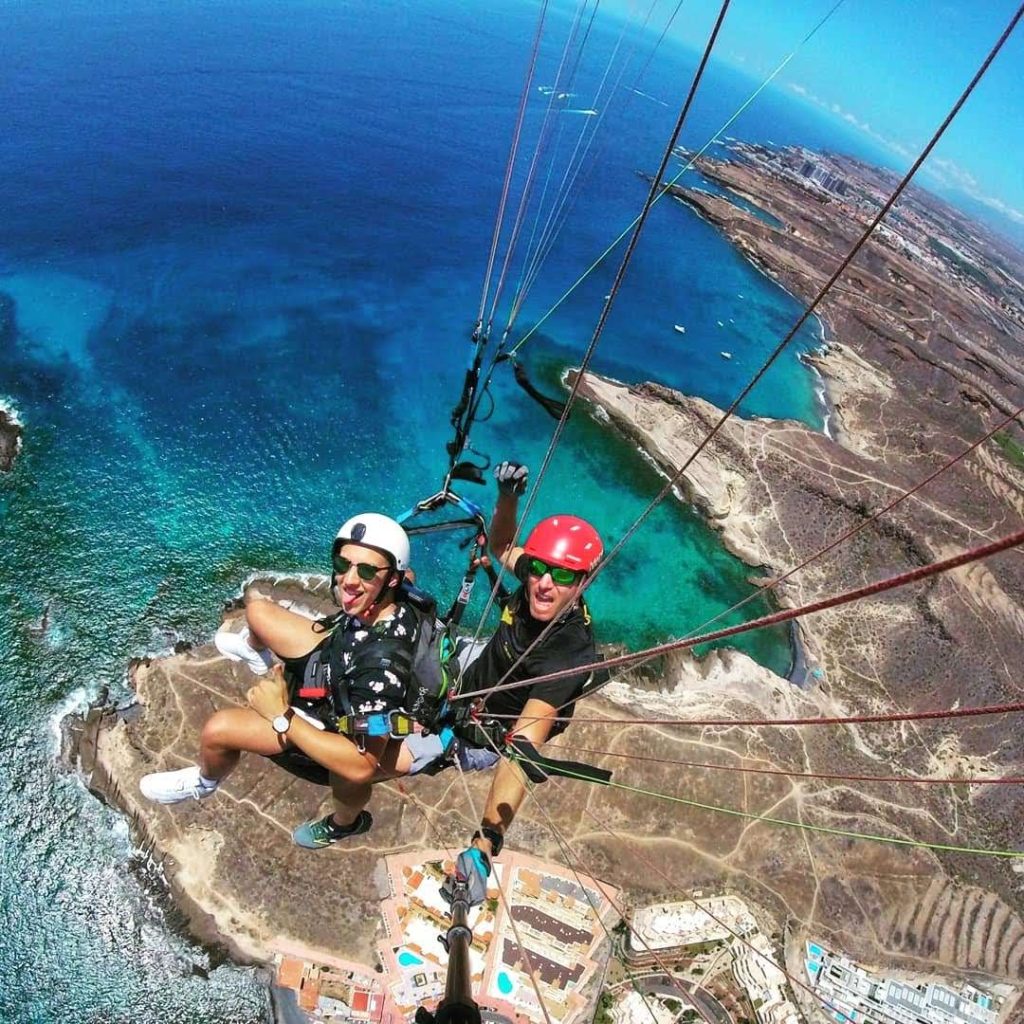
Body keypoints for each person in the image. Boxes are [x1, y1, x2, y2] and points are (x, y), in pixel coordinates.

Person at [326, 460, 603, 907]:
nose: (544, 585)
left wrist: (486, 844)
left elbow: (521, 748)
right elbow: (502, 544)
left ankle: (344, 820)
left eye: (564, 575)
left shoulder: (568, 654)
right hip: (471, 673)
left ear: (583, 581)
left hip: (475, 731)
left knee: (361, 764)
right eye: (538, 569)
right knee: (404, 616)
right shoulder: (540, 583)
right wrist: (508, 497)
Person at [139, 512, 421, 848]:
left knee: (217, 731)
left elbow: (362, 765)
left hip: (330, 717)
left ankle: (204, 782)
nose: (348, 579)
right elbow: (399, 574)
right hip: (334, 660)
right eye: (343, 564)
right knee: (257, 610)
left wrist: (280, 715)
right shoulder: (393, 595)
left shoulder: (381, 671)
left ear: (391, 579)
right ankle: (252, 650)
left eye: (367, 571)